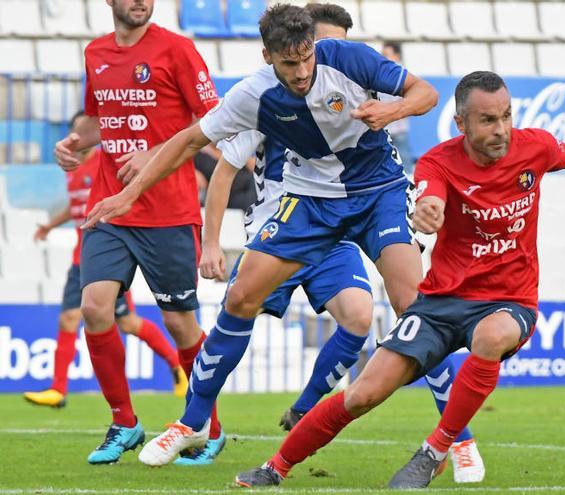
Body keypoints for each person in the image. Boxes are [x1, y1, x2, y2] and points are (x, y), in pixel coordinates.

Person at [230, 71, 565, 488]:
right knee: (362, 394)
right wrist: (428, 211)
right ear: (461, 123)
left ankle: (434, 452)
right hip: (440, 302)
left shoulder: (535, 148)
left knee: (491, 338)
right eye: (488, 120)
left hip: (508, 301)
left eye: (507, 116)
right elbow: (429, 195)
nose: (501, 129)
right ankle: (276, 467)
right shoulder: (439, 161)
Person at [81, 3, 440, 468]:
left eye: (307, 57)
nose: (302, 72)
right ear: (268, 56)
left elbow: (425, 92)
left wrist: (393, 108)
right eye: (289, 63)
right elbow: (192, 143)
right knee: (240, 299)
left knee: (400, 305)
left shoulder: (348, 58)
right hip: (307, 208)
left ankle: (453, 437)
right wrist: (130, 195)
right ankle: (192, 423)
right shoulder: (255, 95)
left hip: (375, 196)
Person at [52, 0, 225, 465]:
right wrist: (73, 142)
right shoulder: (95, 53)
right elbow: (99, 120)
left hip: (168, 211)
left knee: (179, 323)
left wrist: (155, 153)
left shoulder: (177, 50)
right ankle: (124, 422)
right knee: (94, 306)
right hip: (109, 207)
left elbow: (214, 121)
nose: (140, 1)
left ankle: (209, 424)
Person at [24, 112, 187, 408]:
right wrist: (50, 225)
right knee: (90, 319)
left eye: (83, 130)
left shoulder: (104, 160)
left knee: (118, 322)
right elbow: (78, 206)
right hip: (84, 251)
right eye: (74, 130)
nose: (78, 136)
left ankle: (175, 364)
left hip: (103, 253)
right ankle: (58, 389)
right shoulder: (71, 168)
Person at [380, 42, 414, 174]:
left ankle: (410, 186)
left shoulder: (405, 76)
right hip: (385, 127)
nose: (383, 57)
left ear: (397, 55)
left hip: (398, 127)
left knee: (404, 158)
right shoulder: (381, 74)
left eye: (386, 54)